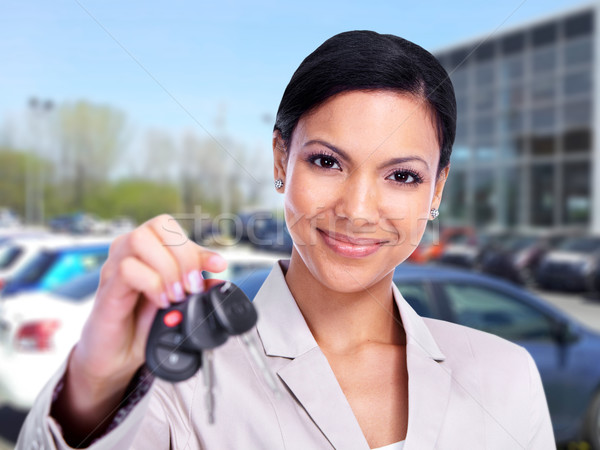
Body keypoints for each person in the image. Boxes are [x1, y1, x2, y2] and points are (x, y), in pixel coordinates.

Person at [17, 30, 554, 450]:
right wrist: (94, 384)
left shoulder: (504, 376)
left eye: (402, 176)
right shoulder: (179, 380)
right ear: (281, 159)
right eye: (327, 161)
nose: (357, 209)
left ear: (437, 188)